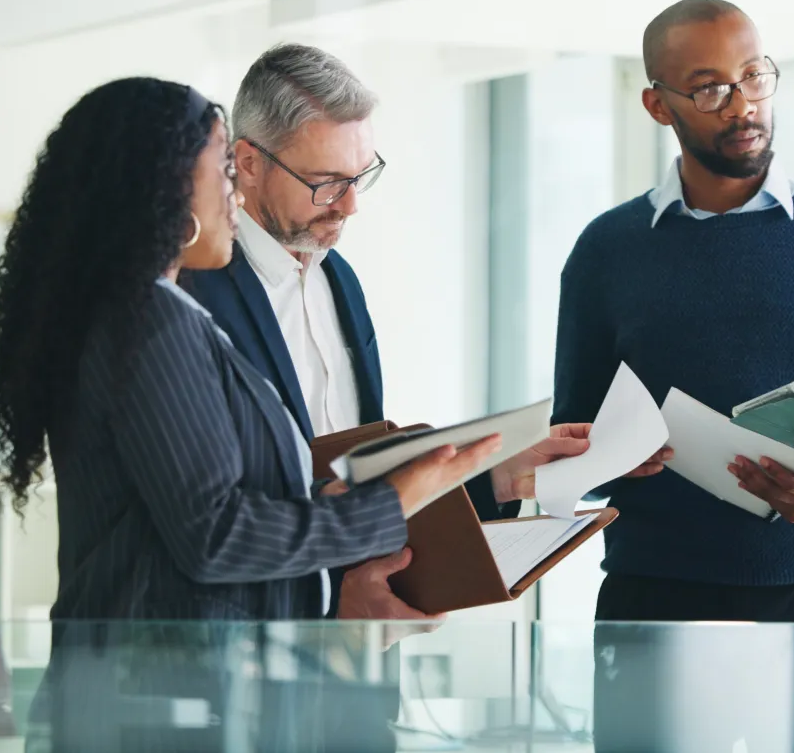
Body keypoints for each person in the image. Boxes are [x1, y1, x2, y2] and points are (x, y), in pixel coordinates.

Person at [0, 77, 496, 750]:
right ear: (161, 188)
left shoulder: (146, 315)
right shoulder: (150, 321)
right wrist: (388, 505)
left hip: (167, 699)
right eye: (221, 170)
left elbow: (206, 509)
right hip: (159, 708)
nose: (232, 193)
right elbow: (214, 533)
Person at [552, 0, 794, 752]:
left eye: (755, 76)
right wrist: (611, 453)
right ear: (658, 104)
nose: (744, 104)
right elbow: (573, 447)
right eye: (712, 88)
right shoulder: (606, 252)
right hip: (656, 594)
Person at [180, 43, 614, 623]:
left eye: (361, 176)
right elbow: (209, 517)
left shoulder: (339, 281)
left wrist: (495, 476)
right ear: (249, 163)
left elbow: (357, 475)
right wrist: (327, 616)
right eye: (327, 182)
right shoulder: (192, 293)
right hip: (247, 641)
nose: (351, 205)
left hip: (361, 639)